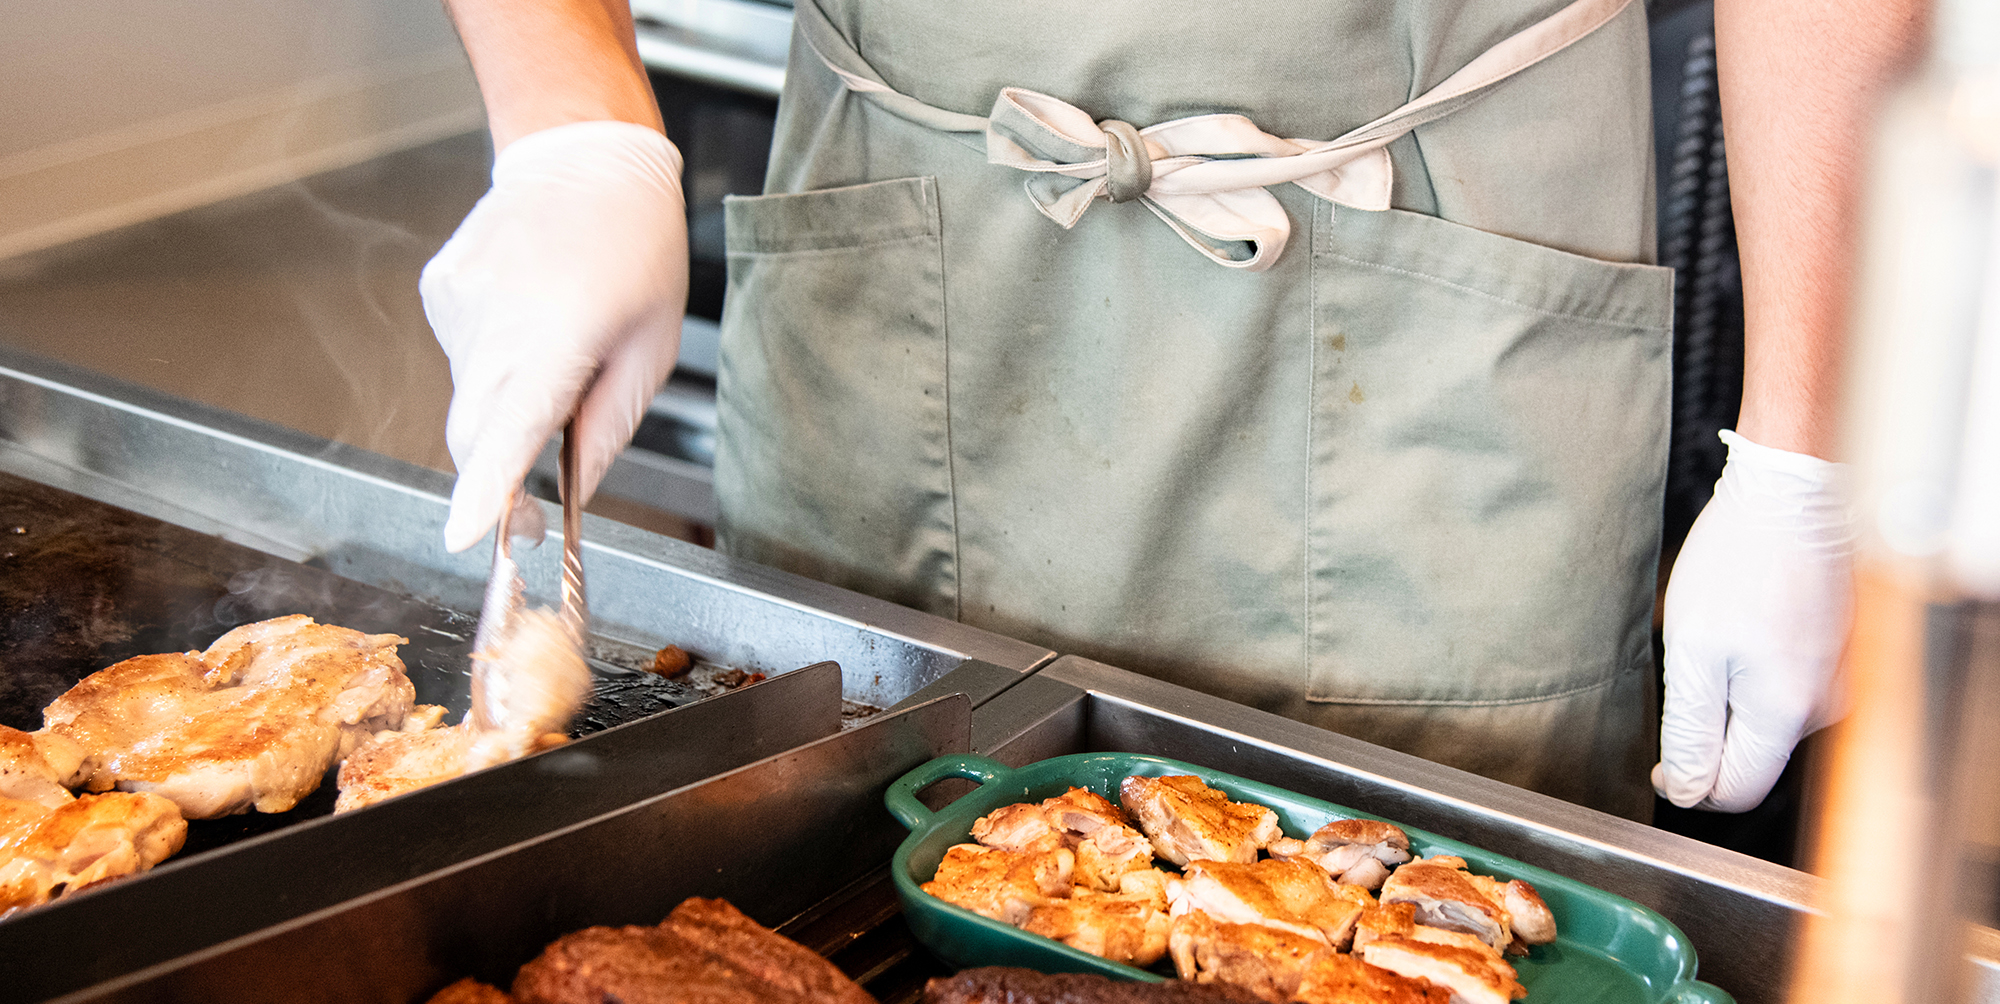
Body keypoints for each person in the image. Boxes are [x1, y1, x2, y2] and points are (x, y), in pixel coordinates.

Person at [419, 0, 1924, 820]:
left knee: (1428, 908)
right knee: (822, 849)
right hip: (906, 217)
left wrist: (1809, 443)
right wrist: (567, 120)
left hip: (1437, 247)